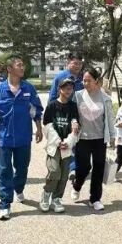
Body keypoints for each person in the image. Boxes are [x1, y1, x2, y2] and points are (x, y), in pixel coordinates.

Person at [0, 55, 43, 221]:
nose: (23, 67)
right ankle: (5, 204)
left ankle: (19, 188)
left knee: (22, 168)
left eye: (23, 65)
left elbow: (36, 110)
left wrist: (39, 128)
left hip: (24, 137)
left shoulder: (28, 89)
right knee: (4, 170)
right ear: (9, 69)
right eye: (19, 65)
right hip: (4, 138)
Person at [71, 66, 116, 212]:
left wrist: (112, 136)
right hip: (82, 138)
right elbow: (72, 113)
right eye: (84, 81)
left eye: (88, 80)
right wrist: (74, 122)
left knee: (98, 168)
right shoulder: (78, 95)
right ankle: (77, 185)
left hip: (99, 139)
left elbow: (110, 118)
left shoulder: (105, 98)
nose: (85, 83)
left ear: (96, 81)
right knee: (83, 167)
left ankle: (95, 199)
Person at [41, 77, 80, 212]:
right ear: (60, 89)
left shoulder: (73, 106)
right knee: (54, 172)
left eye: (71, 88)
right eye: (66, 88)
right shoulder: (52, 106)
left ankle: (56, 199)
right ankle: (46, 195)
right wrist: (58, 142)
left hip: (67, 146)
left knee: (64, 175)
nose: (69, 91)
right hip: (54, 145)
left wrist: (68, 141)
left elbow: (75, 126)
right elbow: (47, 126)